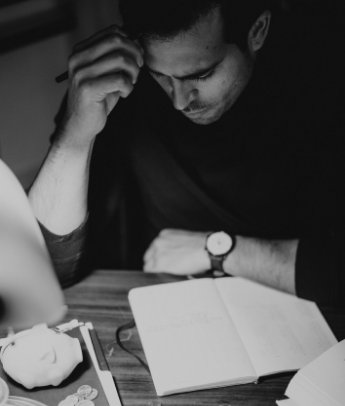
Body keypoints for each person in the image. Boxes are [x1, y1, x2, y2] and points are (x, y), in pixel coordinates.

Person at [28, 0, 345, 307]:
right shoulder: (122, 85)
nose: (179, 101)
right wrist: (74, 135)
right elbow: (43, 271)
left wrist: (219, 250)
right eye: (159, 75)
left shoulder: (322, 78)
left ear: (258, 30)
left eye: (199, 75)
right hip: (168, 304)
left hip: (301, 313)